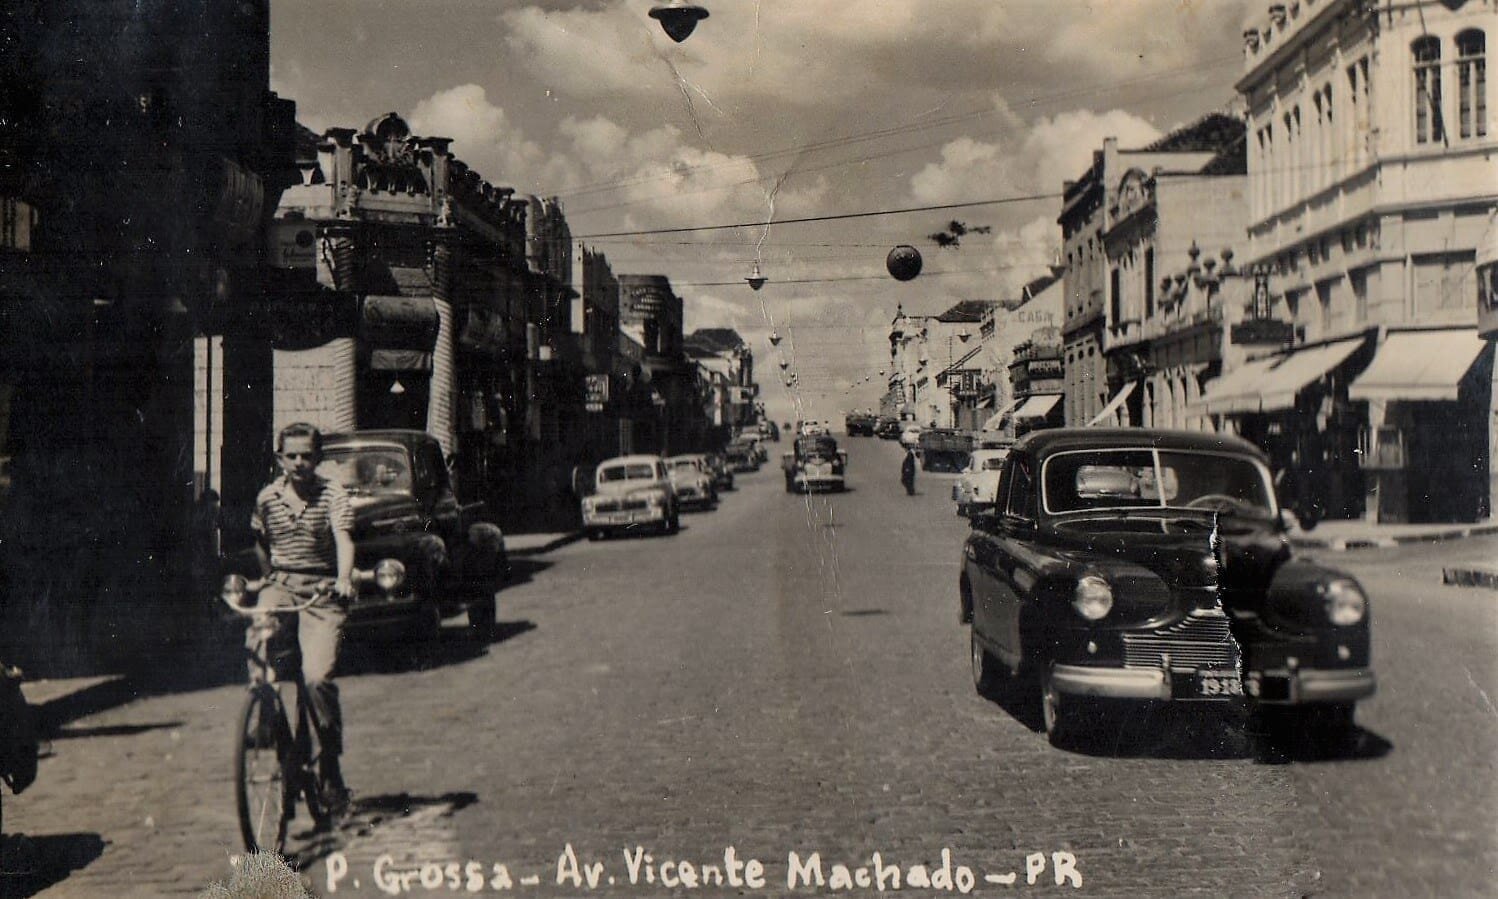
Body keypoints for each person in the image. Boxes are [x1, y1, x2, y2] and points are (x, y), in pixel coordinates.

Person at [248, 422, 356, 813]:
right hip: (282, 585)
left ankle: (329, 760)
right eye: (291, 455)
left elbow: (344, 539)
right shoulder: (267, 498)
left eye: (306, 455)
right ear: (279, 459)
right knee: (260, 626)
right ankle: (270, 724)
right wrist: (268, 579)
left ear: (318, 458)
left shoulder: (332, 495)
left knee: (316, 678)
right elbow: (261, 541)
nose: (299, 462)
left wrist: (343, 578)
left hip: (322, 593)